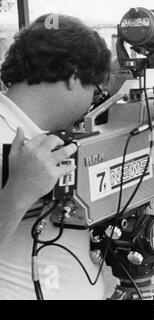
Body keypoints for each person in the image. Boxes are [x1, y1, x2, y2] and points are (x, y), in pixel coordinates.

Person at [0, 14, 111, 299]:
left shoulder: (50, 136)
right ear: (74, 77)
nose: (91, 104)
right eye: (95, 91)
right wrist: (17, 194)